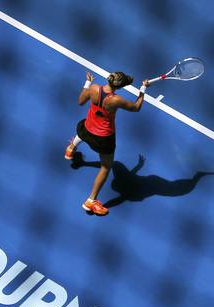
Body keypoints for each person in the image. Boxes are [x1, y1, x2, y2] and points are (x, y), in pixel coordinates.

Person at [64, 71, 150, 215]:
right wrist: (143, 89)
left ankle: (71, 148)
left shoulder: (94, 88)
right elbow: (136, 107)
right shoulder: (116, 100)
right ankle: (90, 201)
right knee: (106, 167)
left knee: (83, 129)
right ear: (120, 86)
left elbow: (80, 101)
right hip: (103, 139)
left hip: (86, 129)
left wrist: (87, 83)